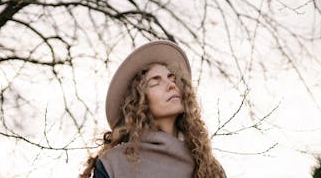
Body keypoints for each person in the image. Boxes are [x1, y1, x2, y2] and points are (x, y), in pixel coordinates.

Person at [80, 40, 226, 178]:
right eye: (155, 82)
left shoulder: (207, 166)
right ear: (139, 101)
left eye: (172, 79)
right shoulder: (113, 163)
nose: (171, 85)